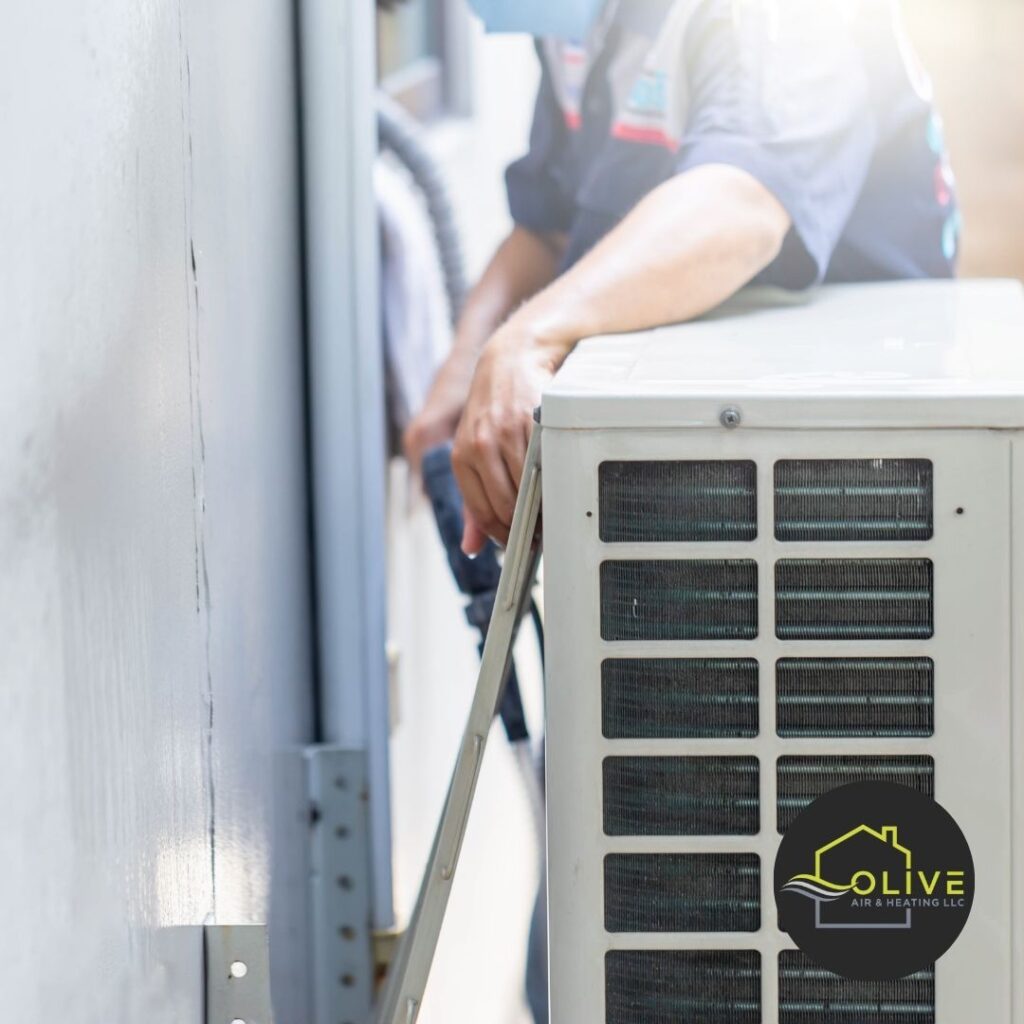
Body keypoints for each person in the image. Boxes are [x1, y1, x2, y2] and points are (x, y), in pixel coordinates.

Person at [403, 0, 959, 559]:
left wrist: (526, 339)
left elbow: (741, 205)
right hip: (694, 455)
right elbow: (549, 229)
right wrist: (468, 368)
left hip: (850, 463)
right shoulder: (577, 26)